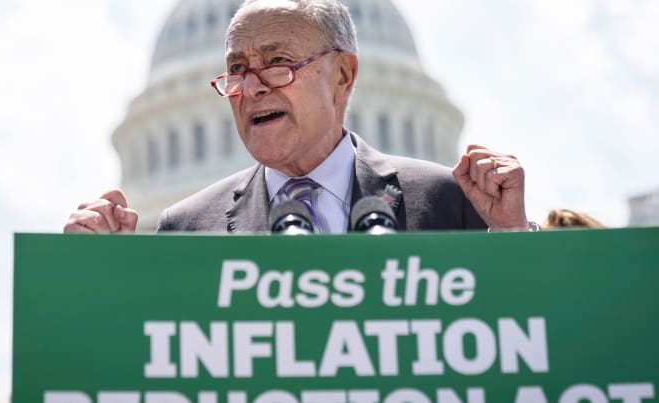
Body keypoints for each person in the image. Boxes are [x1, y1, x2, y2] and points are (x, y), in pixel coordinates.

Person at [64, 0, 534, 234]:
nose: (251, 87)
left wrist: (513, 240)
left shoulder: (448, 204)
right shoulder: (188, 228)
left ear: (343, 76)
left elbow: (519, 346)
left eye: (277, 63)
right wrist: (99, 281)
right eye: (235, 70)